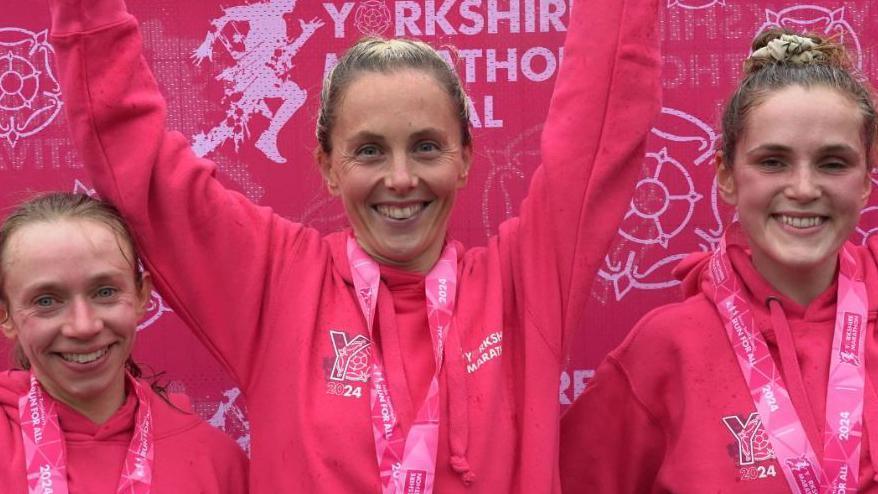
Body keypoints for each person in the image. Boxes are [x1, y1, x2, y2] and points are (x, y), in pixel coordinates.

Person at [47, 0, 661, 491]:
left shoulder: (524, 287)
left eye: (426, 146)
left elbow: (603, 116)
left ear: (466, 159)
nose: (400, 179)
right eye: (369, 150)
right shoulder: (277, 283)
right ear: (328, 166)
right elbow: (132, 151)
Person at [560, 29, 878, 493]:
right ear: (727, 177)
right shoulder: (665, 348)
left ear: (866, 182)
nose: (805, 189)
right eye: (773, 162)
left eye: (833, 163)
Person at [0, 192, 248, 493]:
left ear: (141, 296)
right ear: (6, 316)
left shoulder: (216, 462)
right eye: (46, 300)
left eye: (104, 292)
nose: (84, 326)